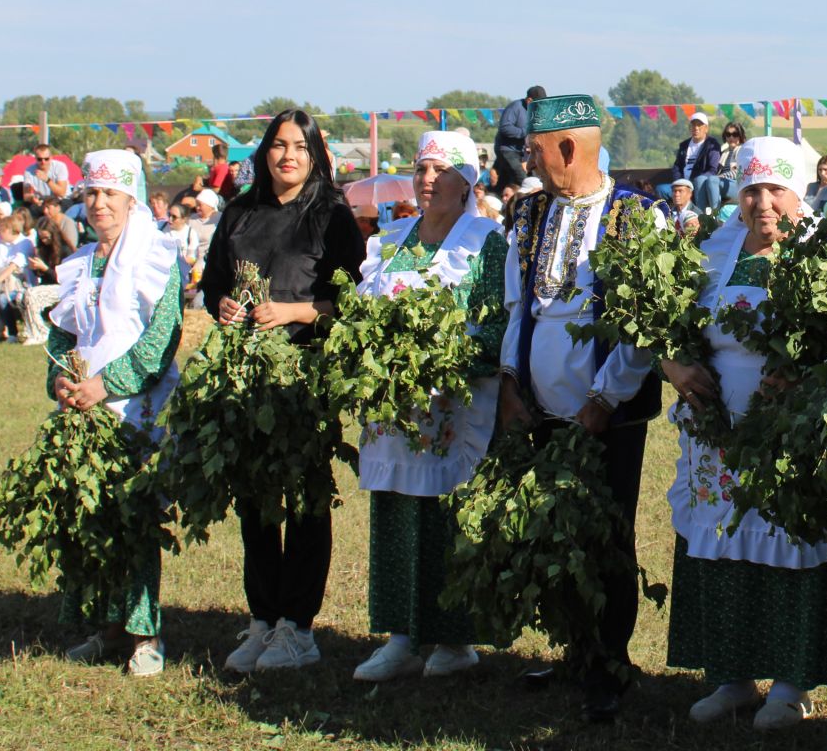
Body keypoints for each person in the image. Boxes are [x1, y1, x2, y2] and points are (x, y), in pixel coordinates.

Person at [661, 137, 827, 731]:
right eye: (752, 191)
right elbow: (672, 323)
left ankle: (791, 684)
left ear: (798, 194)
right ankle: (731, 675)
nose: (763, 203)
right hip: (717, 427)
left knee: (789, 540)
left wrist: (801, 375)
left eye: (776, 190)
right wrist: (674, 365)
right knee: (721, 540)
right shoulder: (714, 252)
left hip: (790, 427)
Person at [497, 95, 662, 722]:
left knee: (606, 539)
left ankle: (609, 666)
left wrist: (604, 398)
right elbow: (521, 308)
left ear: (568, 148)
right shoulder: (532, 212)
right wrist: (512, 383)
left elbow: (643, 325)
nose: (526, 161)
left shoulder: (634, 215)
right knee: (555, 532)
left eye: (534, 150)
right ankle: (575, 651)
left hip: (607, 415)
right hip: (541, 412)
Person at [200, 109, 364, 674]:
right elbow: (213, 283)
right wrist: (221, 304)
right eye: (278, 145)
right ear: (263, 152)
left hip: (306, 373)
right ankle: (262, 621)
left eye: (299, 146)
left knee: (305, 500)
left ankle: (299, 627)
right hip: (248, 376)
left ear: (315, 153)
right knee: (256, 499)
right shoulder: (240, 212)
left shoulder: (332, 215)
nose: (287, 156)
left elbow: (351, 300)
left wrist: (294, 310)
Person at [350, 132, 508, 685]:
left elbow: (498, 327)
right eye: (421, 169)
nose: (428, 180)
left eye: (441, 171)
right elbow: (362, 317)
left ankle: (454, 636)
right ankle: (400, 634)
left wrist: (446, 364)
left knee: (446, 517)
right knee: (397, 512)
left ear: (467, 182)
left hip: (451, 408)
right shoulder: (391, 240)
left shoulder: (487, 243)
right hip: (394, 416)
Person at [47, 150, 183, 677]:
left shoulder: (157, 257)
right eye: (91, 193)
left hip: (134, 408)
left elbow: (160, 341)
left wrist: (104, 385)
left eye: (111, 194)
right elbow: (62, 334)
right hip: (81, 410)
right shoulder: (80, 262)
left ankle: (144, 635)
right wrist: (62, 379)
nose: (99, 204)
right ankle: (104, 628)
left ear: (132, 199)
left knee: (133, 521)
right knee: (90, 516)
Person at [0, 210, 34, 341]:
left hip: (21, 285)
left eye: (1, 230)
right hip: (1, 284)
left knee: (2, 300)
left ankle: (12, 332)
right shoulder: (1, 245)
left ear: (10, 230)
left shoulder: (25, 243)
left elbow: (14, 266)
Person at [493, 85, 544, 189]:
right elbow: (505, 127)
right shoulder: (515, 107)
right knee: (522, 178)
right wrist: (525, 132)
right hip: (508, 150)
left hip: (522, 152)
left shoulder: (535, 112)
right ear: (529, 100)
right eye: (538, 103)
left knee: (506, 181)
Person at [667, 112, 723, 205]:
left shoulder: (712, 145)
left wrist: (693, 182)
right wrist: (680, 182)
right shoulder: (684, 145)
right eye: (693, 125)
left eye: (699, 125)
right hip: (682, 182)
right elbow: (676, 167)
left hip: (698, 183)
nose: (696, 128)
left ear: (706, 128)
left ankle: (700, 216)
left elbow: (713, 169)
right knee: (660, 189)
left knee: (699, 181)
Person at [703, 122, 746, 214]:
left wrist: (721, 177)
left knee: (713, 180)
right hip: (722, 183)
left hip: (738, 185)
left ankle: (714, 214)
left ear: (740, 136)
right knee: (705, 181)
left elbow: (739, 172)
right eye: (728, 134)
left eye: (735, 134)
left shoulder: (743, 150)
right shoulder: (724, 153)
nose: (731, 138)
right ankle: (702, 214)